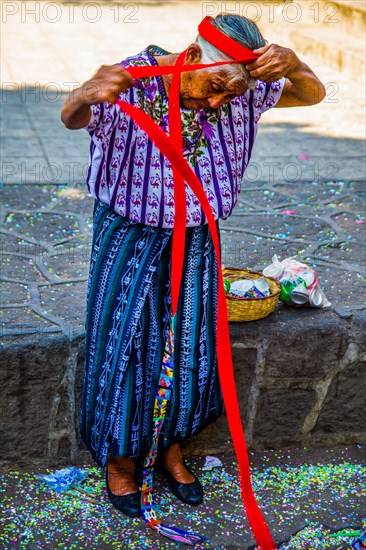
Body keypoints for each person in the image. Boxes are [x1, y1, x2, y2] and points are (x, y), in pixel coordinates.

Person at [61, 11, 325, 527]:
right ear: (194, 54)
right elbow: (73, 118)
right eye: (213, 86)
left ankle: (168, 449)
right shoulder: (131, 80)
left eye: (232, 92)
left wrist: (294, 63)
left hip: (198, 235)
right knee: (125, 344)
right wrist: (83, 93)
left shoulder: (241, 87)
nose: (218, 102)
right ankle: (119, 461)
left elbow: (311, 94)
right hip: (129, 237)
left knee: (189, 343)